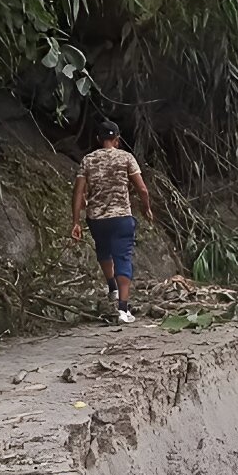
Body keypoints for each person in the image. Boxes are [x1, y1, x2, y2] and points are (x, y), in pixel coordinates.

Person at [71, 120, 153, 324]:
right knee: (123, 259)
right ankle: (123, 310)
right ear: (117, 140)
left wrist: (76, 222)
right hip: (121, 218)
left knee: (104, 252)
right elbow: (142, 189)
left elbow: (78, 192)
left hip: (96, 219)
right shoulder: (126, 158)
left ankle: (112, 288)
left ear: (98, 139)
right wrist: (146, 207)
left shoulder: (88, 160)